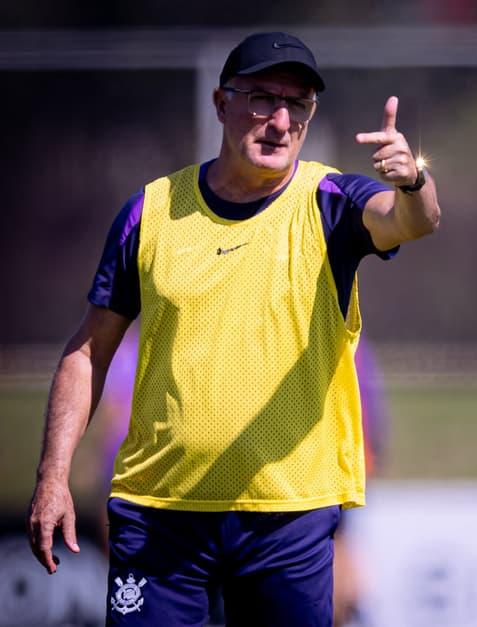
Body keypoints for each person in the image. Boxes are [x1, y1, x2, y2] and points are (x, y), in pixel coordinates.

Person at [26, 31, 440, 626]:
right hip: (160, 514)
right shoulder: (151, 212)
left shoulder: (331, 202)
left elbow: (413, 222)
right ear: (221, 104)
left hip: (287, 519)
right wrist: (53, 475)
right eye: (262, 99)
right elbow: (89, 351)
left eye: (297, 104)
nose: (280, 121)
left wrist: (413, 181)